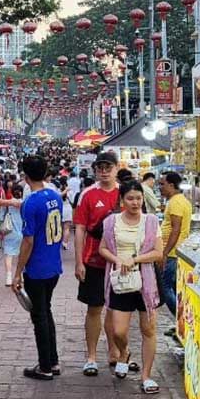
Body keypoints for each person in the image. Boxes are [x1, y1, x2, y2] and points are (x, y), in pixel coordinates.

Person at [98, 180, 162, 391]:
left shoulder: (151, 221)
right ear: (122, 201)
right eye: (130, 198)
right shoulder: (111, 222)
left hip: (146, 282)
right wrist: (117, 260)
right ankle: (124, 352)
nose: (135, 203)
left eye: (138, 198)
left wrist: (134, 259)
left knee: (148, 329)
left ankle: (146, 376)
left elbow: (157, 252)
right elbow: (103, 248)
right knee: (118, 331)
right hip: (120, 280)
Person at [74, 151, 126, 377]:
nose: (104, 171)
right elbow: (80, 229)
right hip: (93, 260)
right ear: (95, 170)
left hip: (120, 261)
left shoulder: (125, 193)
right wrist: (79, 262)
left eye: (108, 167)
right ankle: (91, 356)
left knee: (116, 310)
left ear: (116, 168)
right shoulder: (88, 195)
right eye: (100, 167)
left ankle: (115, 352)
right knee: (94, 308)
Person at [13, 155, 64, 380]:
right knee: (46, 311)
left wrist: (17, 272)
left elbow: (28, 241)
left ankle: (45, 365)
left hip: (37, 268)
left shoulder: (30, 203)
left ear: (25, 176)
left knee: (39, 316)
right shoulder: (54, 196)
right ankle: (52, 361)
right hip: (53, 264)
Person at [159, 171, 192, 326]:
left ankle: (181, 321)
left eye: (162, 184)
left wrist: (165, 252)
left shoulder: (176, 202)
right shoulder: (177, 200)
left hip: (172, 252)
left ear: (171, 185)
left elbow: (176, 229)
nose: (160, 188)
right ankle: (182, 321)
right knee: (173, 287)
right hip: (175, 250)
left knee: (165, 288)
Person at [1, 183, 24, 286]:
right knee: (22, 254)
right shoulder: (25, 203)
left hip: (9, 232)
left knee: (9, 255)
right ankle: (20, 275)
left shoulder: (7, 203)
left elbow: (1, 217)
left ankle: (8, 277)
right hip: (23, 231)